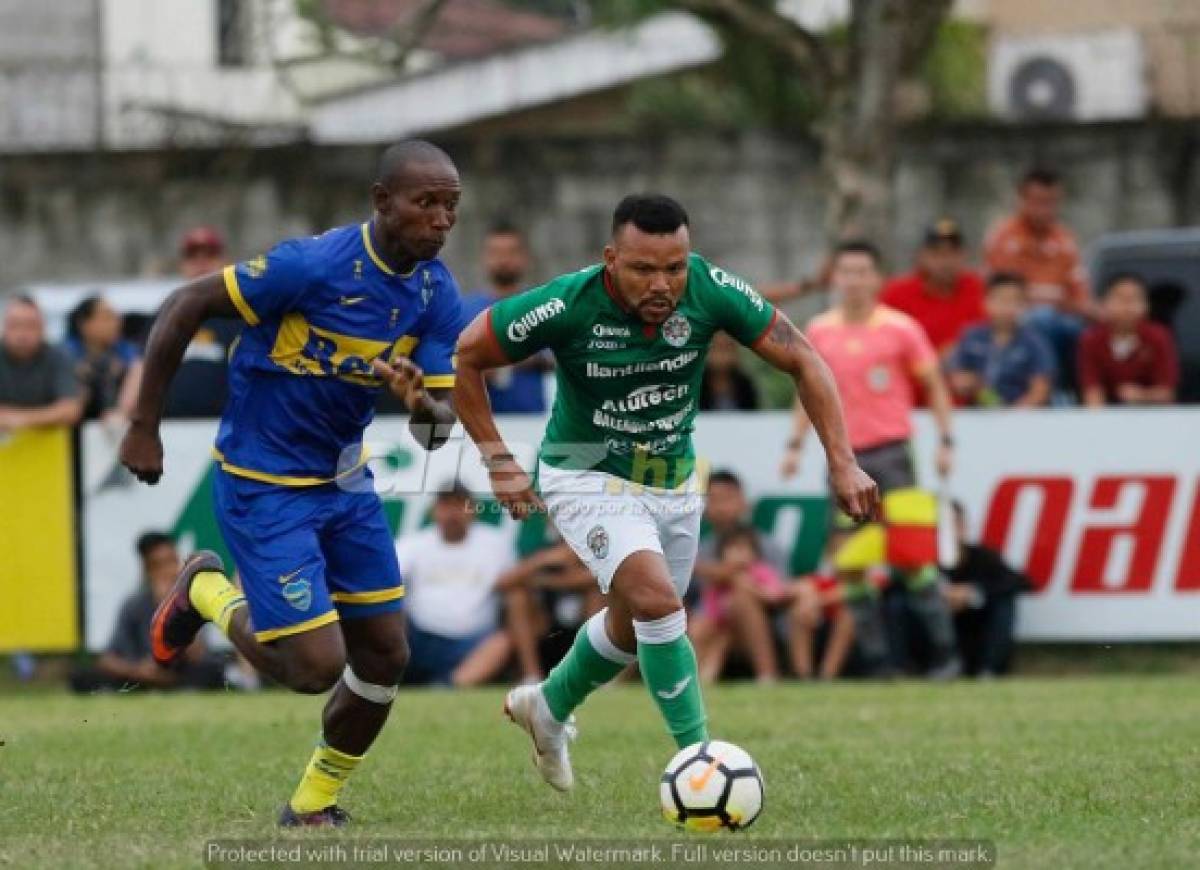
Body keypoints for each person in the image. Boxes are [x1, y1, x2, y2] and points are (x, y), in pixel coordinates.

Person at [453, 193, 876, 791]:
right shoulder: (566, 304)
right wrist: (497, 460)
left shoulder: (710, 290)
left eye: (674, 267)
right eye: (644, 268)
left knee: (632, 629)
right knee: (658, 603)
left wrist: (843, 461)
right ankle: (702, 765)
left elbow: (804, 359)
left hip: (670, 479)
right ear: (610, 259)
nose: (663, 283)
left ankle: (546, 708)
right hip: (583, 471)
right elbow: (467, 355)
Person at [118, 140, 465, 828]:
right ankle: (203, 590)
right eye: (425, 203)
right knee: (312, 667)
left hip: (344, 486)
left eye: (451, 206)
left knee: (386, 655)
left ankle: (312, 805)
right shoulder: (310, 266)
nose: (441, 220)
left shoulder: (434, 293)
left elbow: (437, 432)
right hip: (263, 483)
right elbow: (186, 303)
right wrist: (142, 423)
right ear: (381, 201)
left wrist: (421, 404)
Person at [781, 239, 959, 678]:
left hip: (894, 454)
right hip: (843, 458)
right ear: (835, 278)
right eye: (846, 272)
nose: (854, 280)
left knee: (914, 560)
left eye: (863, 271)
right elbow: (808, 391)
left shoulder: (901, 328)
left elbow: (934, 386)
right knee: (853, 563)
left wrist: (945, 439)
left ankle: (945, 656)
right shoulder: (820, 330)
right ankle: (880, 664)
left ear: (877, 278)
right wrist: (795, 444)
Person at [69, 533, 227, 693]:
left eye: (172, 562)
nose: (168, 571)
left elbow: (197, 654)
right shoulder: (135, 604)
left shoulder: (192, 599)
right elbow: (108, 659)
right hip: (142, 673)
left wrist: (168, 605)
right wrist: (138, 670)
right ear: (148, 571)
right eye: (159, 566)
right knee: (82, 676)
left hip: (180, 673)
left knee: (211, 672)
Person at [396, 483, 517, 687]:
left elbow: (510, 583)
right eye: (445, 506)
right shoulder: (412, 544)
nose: (452, 514)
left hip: (475, 640)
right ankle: (387, 679)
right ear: (433, 511)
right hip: (419, 638)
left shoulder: (495, 544)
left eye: (459, 506)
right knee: (391, 609)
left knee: (503, 640)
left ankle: (448, 687)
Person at [984, 168, 1092, 391]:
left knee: (1091, 336)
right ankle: (1050, 393)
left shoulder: (1065, 240)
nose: (1044, 210)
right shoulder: (1003, 238)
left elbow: (1079, 297)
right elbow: (999, 294)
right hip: (1016, 321)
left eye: (1051, 202)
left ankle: (1081, 395)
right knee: (1040, 321)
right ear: (1021, 200)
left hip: (1061, 320)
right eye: (1038, 201)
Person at [688, 469, 791, 681]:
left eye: (728, 499)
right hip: (708, 625)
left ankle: (767, 676)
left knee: (740, 599)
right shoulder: (696, 549)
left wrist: (738, 580)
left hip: (759, 625)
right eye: (714, 500)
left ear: (744, 503)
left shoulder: (768, 546)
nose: (722, 508)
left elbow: (781, 591)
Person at [690, 525, 807, 684]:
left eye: (744, 548)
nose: (739, 554)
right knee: (700, 631)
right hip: (718, 627)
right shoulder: (719, 576)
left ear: (755, 554)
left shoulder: (760, 572)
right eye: (733, 548)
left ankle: (767, 675)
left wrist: (748, 587)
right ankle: (695, 678)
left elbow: (774, 595)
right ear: (722, 553)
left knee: (724, 634)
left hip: (750, 628)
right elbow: (708, 605)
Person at [457, 222, 552, 413]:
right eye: (496, 253)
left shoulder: (544, 306)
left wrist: (494, 359)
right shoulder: (464, 311)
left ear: (525, 257)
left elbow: (556, 358)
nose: (504, 259)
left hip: (533, 423)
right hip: (480, 425)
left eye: (511, 252)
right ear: (484, 258)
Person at [941, 503, 1032, 677]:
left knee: (1004, 602)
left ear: (962, 527)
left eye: (952, 524)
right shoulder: (918, 563)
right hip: (933, 637)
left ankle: (989, 670)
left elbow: (1021, 582)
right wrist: (938, 596)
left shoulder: (982, 557)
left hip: (975, 636)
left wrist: (972, 593)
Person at [163, 226, 240, 418]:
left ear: (226, 263)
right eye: (193, 257)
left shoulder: (243, 315)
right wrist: (125, 411)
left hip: (227, 429)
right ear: (183, 265)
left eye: (209, 256)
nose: (201, 263)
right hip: (170, 430)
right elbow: (142, 366)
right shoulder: (166, 313)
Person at [947, 273, 1056, 407]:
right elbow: (958, 378)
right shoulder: (971, 337)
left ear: (1025, 305)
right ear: (986, 302)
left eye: (1014, 301)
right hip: (977, 412)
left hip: (1022, 415)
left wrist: (1013, 415)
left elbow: (1040, 390)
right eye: (1001, 300)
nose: (1006, 307)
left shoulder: (1035, 342)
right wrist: (975, 388)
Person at [880, 219, 986, 357]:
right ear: (921, 256)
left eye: (952, 253)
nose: (945, 261)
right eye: (937, 253)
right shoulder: (896, 293)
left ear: (963, 256)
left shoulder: (979, 289)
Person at [1078, 274, 1179, 407]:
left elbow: (1167, 392)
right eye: (1120, 299)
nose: (1127, 307)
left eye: (1134, 299)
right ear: (1104, 304)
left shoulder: (1158, 337)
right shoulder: (1091, 339)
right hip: (1108, 414)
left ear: (1146, 305)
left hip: (1152, 413)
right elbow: (1091, 389)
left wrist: (1141, 395)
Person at [0, 295, 84, 433]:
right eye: (15, 325)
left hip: (49, 450)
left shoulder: (60, 356)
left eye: (30, 326)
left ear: (43, 328)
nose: (22, 334)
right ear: (4, 327)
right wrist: (48, 415)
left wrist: (15, 418)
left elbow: (70, 410)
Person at [64, 295, 143, 424]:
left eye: (116, 317)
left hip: (115, 423)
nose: (116, 322)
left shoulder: (128, 352)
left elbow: (138, 370)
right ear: (84, 324)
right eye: (107, 318)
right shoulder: (65, 353)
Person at [699, 331, 759, 410]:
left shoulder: (745, 385)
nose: (722, 356)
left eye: (727, 348)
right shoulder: (696, 386)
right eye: (717, 348)